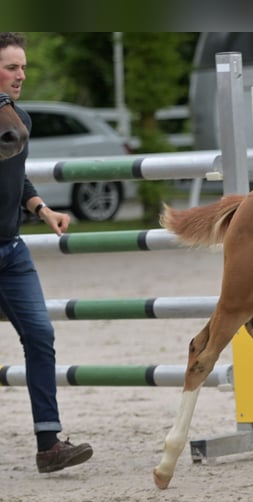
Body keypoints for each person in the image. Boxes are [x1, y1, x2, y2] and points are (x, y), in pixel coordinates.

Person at [0, 32, 93, 473]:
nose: (20, 75)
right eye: (11, 67)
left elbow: (18, 179)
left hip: (12, 254)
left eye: (23, 67)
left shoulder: (20, 120)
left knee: (41, 336)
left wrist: (41, 207)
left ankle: (48, 445)